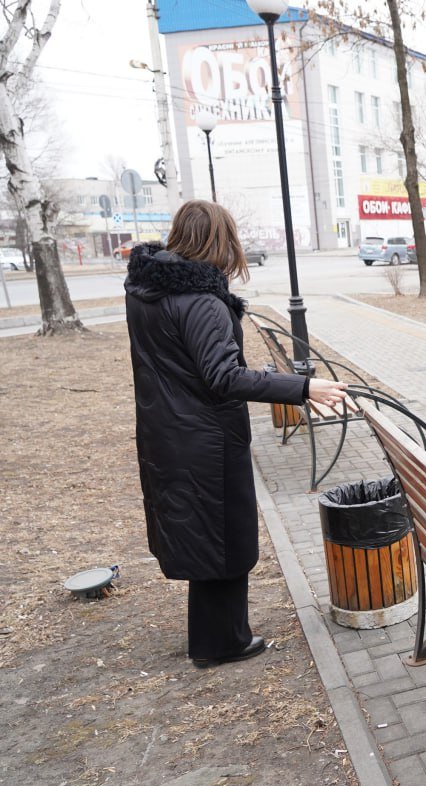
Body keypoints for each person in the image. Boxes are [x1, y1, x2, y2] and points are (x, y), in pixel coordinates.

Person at [125, 200, 348, 669]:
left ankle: (218, 636)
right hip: (204, 439)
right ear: (221, 241)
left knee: (205, 535)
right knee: (223, 537)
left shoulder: (147, 291)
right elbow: (223, 377)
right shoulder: (202, 301)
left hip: (168, 432)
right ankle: (220, 643)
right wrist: (303, 387)